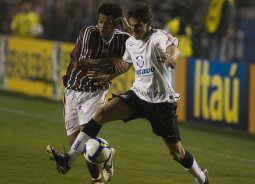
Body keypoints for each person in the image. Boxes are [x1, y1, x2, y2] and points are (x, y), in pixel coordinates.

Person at [47, 3, 209, 184]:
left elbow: (173, 48)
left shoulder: (158, 37)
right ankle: (68, 160)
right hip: (138, 96)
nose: (135, 30)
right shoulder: (131, 42)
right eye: (132, 26)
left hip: (161, 103)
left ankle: (202, 178)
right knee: (101, 114)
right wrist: (108, 76)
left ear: (148, 23)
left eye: (138, 26)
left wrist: (172, 58)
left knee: (176, 153)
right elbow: (125, 65)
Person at [47, 3, 131, 184]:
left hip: (95, 93)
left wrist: (111, 74)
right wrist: (111, 59)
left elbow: (133, 59)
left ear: (115, 24)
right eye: (100, 21)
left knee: (87, 138)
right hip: (72, 89)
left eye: (107, 23)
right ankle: (107, 154)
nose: (102, 26)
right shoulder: (88, 32)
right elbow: (81, 63)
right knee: (76, 143)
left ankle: (96, 180)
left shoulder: (124, 39)